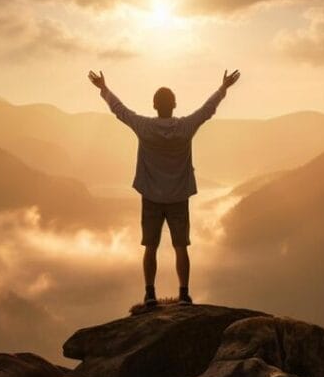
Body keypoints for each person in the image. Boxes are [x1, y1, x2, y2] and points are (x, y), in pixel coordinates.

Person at [88, 69, 241, 307]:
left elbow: (120, 111)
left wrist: (104, 89)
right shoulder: (185, 128)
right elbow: (207, 110)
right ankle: (184, 294)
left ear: (154, 105)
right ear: (174, 105)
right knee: (181, 247)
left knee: (150, 247)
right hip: (179, 196)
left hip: (151, 196)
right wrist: (223, 88)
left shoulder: (145, 127)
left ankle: (150, 294)